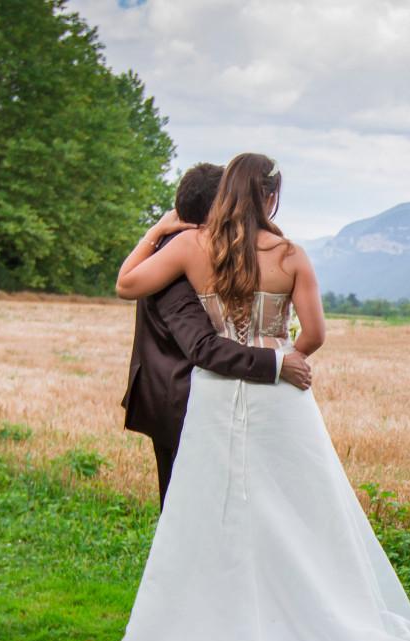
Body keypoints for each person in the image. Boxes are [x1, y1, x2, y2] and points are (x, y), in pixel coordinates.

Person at [63, 153, 410, 641]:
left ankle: (209, 631)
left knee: (212, 513)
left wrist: (161, 228)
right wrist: (285, 356)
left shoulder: (194, 249)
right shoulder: (291, 256)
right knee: (300, 514)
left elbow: (127, 285)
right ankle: (306, 625)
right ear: (269, 198)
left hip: (215, 395)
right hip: (280, 397)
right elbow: (316, 333)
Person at [120, 162, 313, 507]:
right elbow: (203, 347)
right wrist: (277, 363)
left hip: (182, 395)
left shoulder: (179, 251)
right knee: (193, 508)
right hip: (181, 398)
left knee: (195, 508)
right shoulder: (182, 257)